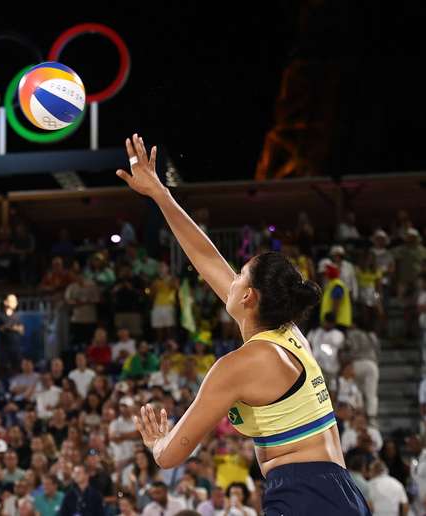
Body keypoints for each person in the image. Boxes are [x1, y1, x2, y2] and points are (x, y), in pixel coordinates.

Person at [119, 134, 369, 515]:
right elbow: (207, 258)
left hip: (307, 497)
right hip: (337, 492)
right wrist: (160, 195)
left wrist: (156, 443)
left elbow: (171, 456)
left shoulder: (240, 365)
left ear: (249, 297)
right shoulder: (287, 334)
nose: (229, 279)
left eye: (239, 278)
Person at [0, 294, 24, 377]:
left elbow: (22, 330)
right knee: (3, 370)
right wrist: (3, 328)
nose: (15, 303)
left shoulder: (17, 316)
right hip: (4, 349)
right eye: (12, 301)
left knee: (16, 369)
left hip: (16, 349)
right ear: (5, 302)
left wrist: (14, 328)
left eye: (15, 301)